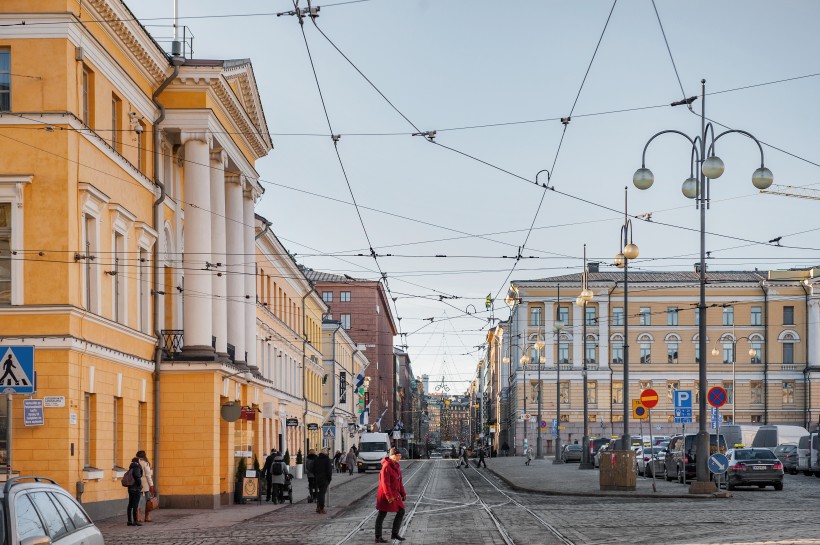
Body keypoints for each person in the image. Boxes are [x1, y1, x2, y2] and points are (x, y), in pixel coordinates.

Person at [375, 447, 406, 543]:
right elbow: (385, 484)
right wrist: (389, 497)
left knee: (401, 511)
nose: (400, 457)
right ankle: (378, 536)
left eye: (400, 455)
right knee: (382, 514)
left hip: (395, 494)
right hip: (386, 495)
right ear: (393, 456)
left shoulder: (396, 466)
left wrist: (403, 493)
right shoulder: (386, 467)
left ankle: (395, 533)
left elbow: (399, 481)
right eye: (398, 455)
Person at [135, 450, 154, 522]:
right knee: (148, 500)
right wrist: (151, 485)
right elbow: (148, 475)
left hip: (138, 483)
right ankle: (147, 517)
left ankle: (138, 517)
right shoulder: (145, 463)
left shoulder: (136, 463)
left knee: (138, 500)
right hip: (145, 483)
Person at [313, 448, 333, 514]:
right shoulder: (327, 460)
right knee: (322, 494)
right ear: (326, 453)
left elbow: (311, 468)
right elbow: (329, 471)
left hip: (318, 479)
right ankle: (321, 508)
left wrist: (316, 474)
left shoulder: (316, 459)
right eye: (328, 452)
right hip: (325, 479)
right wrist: (329, 479)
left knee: (320, 493)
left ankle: (318, 507)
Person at [126, 457, 143, 526]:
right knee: (135, 505)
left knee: (130, 505)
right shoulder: (137, 467)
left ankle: (129, 521)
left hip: (130, 488)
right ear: (137, 461)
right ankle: (135, 521)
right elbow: (138, 477)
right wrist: (139, 486)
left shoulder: (131, 467)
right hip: (136, 489)